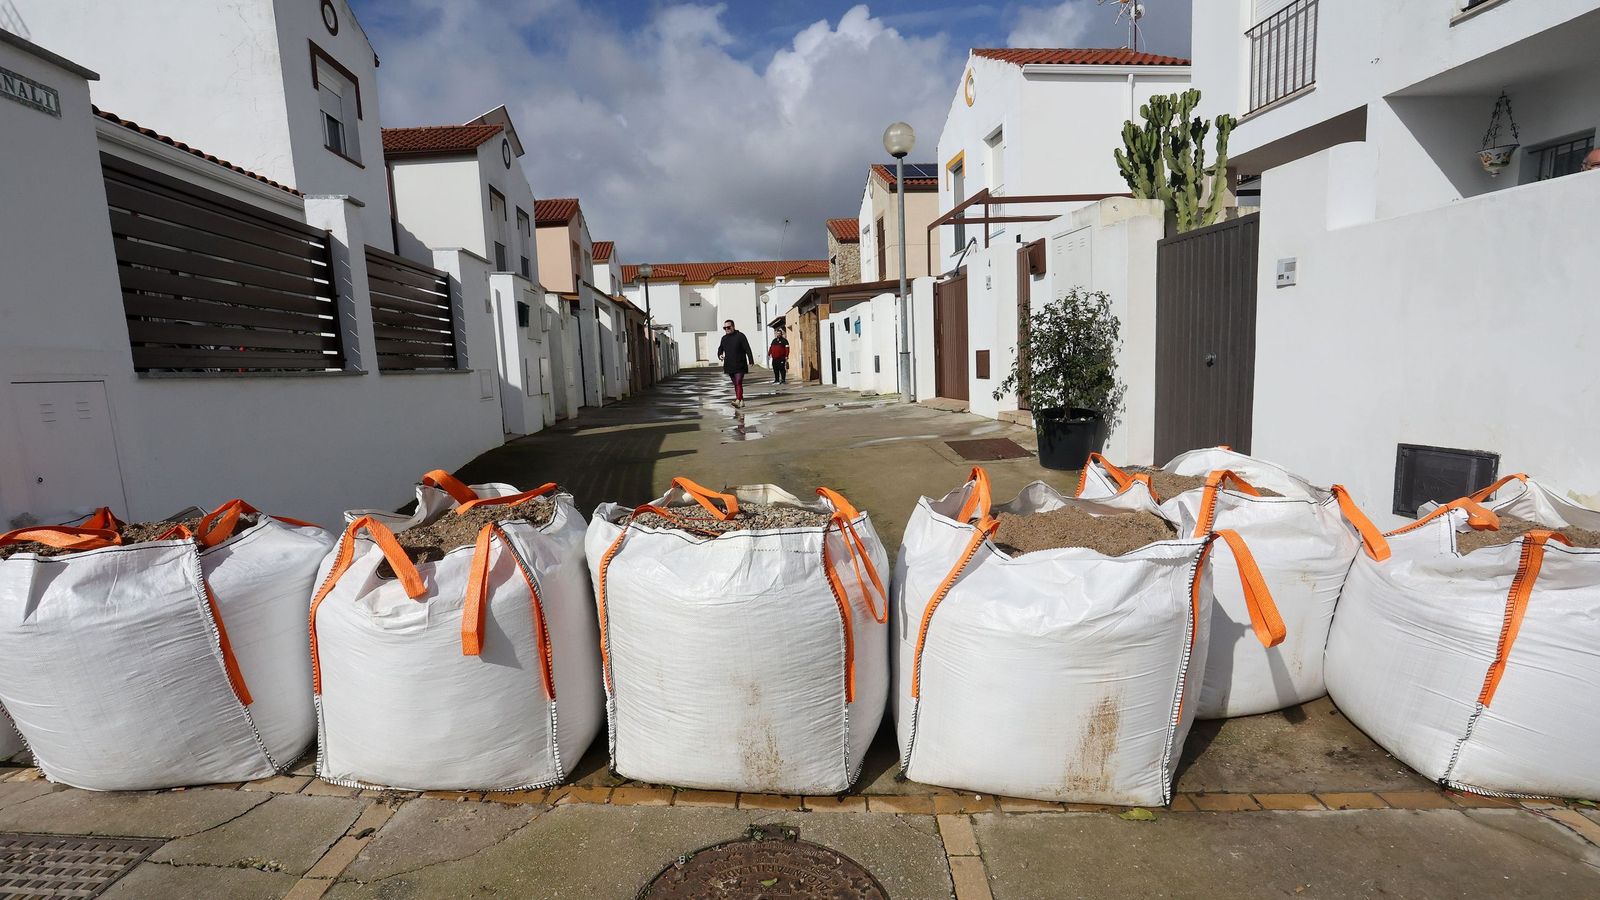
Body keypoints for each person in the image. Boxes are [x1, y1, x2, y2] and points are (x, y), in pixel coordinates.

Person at [717, 319, 754, 407]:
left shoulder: (740, 336)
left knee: (738, 382)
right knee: (736, 384)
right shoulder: (724, 338)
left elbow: (747, 348)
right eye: (725, 328)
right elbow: (720, 349)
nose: (727, 329)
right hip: (729, 365)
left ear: (733, 327)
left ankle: (738, 400)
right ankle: (741, 401)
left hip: (740, 364)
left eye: (728, 327)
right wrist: (720, 355)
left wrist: (751, 360)